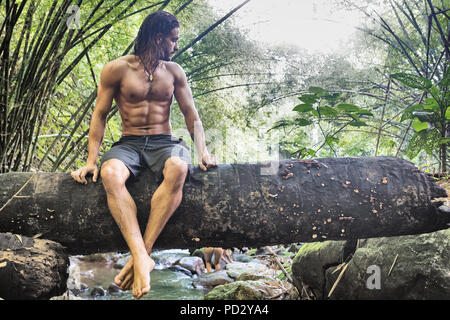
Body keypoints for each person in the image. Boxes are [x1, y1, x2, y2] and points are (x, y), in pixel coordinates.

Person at [70, 11, 217, 299]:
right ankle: (142, 256)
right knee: (110, 173)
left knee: (178, 167)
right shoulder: (116, 69)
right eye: (173, 40)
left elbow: (191, 115)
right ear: (158, 38)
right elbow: (99, 115)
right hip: (129, 143)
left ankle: (142, 255)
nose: (175, 46)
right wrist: (91, 160)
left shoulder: (174, 71)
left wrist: (203, 149)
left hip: (165, 142)